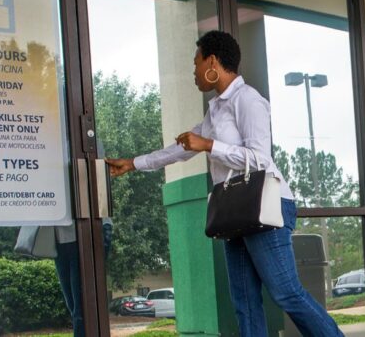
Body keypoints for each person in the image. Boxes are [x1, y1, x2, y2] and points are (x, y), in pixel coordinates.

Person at [105, 31, 343, 337]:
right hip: (236, 210)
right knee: (244, 302)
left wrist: (209, 145)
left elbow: (260, 160)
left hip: (266, 206)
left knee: (286, 293)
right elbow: (180, 149)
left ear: (212, 61)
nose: (193, 71)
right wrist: (134, 163)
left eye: (196, 62)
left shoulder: (249, 100)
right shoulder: (215, 109)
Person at [54, 141, 113, 337]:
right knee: (76, 310)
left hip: (89, 232)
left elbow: (96, 182)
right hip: (62, 237)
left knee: (83, 311)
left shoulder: (86, 139)